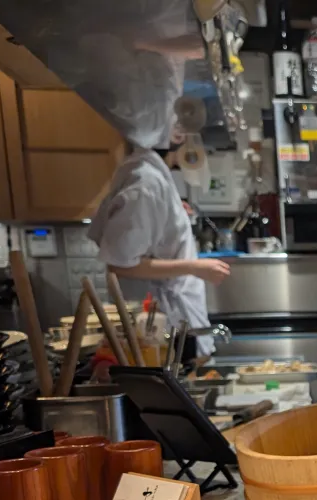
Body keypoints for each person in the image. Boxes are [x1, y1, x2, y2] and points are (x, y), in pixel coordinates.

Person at [87, 140, 229, 357]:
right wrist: (194, 267)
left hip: (172, 326)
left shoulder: (149, 177)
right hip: (162, 329)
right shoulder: (147, 184)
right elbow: (121, 265)